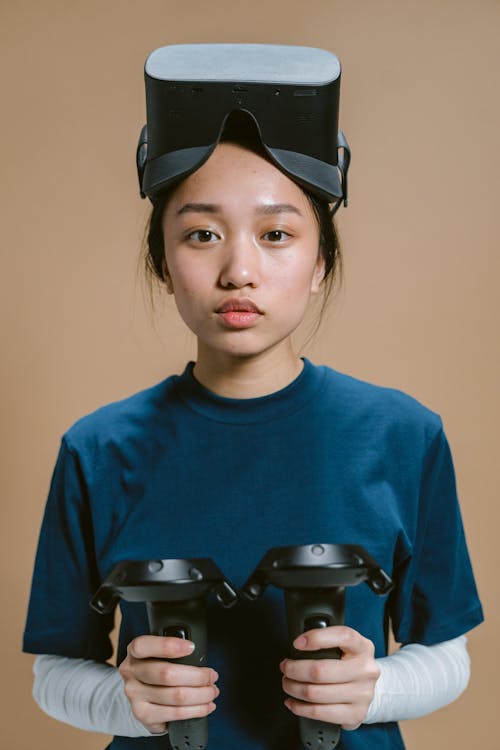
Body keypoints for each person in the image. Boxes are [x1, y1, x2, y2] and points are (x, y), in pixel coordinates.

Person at [23, 44, 483, 750]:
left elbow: (449, 656)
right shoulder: (98, 449)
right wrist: (126, 702)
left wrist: (375, 689)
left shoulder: (403, 435)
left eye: (276, 234)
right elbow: (55, 671)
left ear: (320, 261)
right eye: (202, 234)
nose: (240, 269)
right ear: (163, 264)